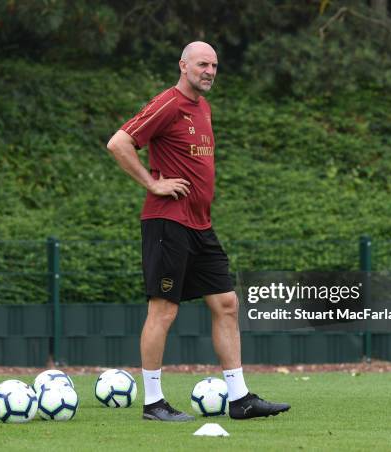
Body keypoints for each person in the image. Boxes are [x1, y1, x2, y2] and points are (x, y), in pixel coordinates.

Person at [107, 41, 290, 421]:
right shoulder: (168, 103)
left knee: (226, 304)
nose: (209, 71)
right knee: (163, 311)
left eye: (215, 65)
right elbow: (119, 142)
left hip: (200, 225)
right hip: (167, 222)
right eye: (203, 64)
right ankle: (153, 403)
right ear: (183, 65)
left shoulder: (202, 108)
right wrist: (152, 183)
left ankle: (239, 399)